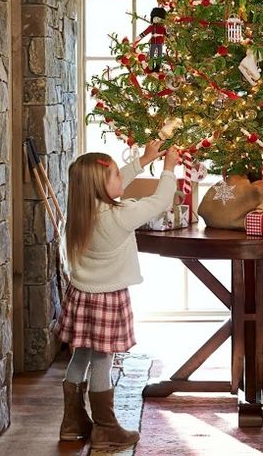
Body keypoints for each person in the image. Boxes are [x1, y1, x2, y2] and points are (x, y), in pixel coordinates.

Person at [54, 140, 179, 450]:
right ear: (102, 186)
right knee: (103, 361)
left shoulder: (81, 211)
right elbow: (161, 201)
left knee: (81, 355)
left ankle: (71, 423)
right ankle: (106, 428)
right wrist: (168, 168)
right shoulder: (119, 215)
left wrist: (143, 160)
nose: (120, 179)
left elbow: (110, 181)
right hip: (107, 298)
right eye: (115, 177)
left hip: (81, 295)